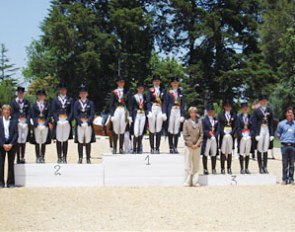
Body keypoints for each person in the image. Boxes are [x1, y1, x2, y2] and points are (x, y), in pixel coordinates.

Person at [51, 82, 74, 163]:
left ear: (66, 90)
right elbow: (53, 111)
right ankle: (59, 157)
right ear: (59, 90)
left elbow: (71, 111)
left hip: (66, 122)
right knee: (58, 139)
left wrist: (68, 120)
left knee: (65, 139)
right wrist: (57, 120)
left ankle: (64, 157)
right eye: (61, 89)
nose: (63, 91)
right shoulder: (55, 99)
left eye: (64, 89)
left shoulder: (70, 99)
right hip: (58, 122)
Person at [109, 76, 132, 154]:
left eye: (123, 82)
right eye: (120, 82)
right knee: (115, 129)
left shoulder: (127, 92)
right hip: (116, 110)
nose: (121, 83)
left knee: (122, 129)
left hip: (124, 111)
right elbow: (111, 104)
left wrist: (130, 114)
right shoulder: (114, 92)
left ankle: (121, 148)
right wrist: (111, 114)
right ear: (117, 83)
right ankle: (114, 147)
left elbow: (129, 104)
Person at [74, 84, 96, 164]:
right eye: (81, 93)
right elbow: (75, 114)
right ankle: (80, 158)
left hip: (88, 124)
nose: (83, 94)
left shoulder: (90, 102)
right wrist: (80, 122)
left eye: (84, 93)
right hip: (80, 124)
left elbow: (92, 113)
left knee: (88, 141)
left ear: (87, 94)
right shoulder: (76, 103)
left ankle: (88, 158)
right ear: (79, 94)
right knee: (80, 140)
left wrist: (88, 122)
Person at [252, 95, 274, 174]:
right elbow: (254, 123)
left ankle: (265, 166)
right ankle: (260, 167)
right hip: (260, 129)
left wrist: (272, 134)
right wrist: (256, 134)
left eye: (265, 101)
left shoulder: (269, 110)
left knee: (265, 148)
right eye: (262, 101)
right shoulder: (256, 111)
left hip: (267, 129)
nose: (264, 102)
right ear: (260, 102)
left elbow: (271, 122)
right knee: (259, 148)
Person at [164, 77, 185, 154]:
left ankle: (175, 147)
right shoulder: (168, 92)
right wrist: (164, 113)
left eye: (176, 83)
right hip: (171, 110)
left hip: (178, 110)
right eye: (174, 83)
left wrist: (183, 115)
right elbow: (165, 103)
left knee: (177, 128)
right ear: (171, 84)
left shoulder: (181, 92)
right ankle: (170, 147)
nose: (175, 84)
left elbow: (183, 104)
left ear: (178, 83)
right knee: (170, 128)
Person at [183, 107, 203, 187]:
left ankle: (195, 181)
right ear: (189, 113)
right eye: (191, 112)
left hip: (197, 147)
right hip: (189, 146)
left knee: (196, 165)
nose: (193, 114)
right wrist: (191, 144)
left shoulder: (199, 123)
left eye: (194, 112)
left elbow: (201, 135)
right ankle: (187, 181)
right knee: (188, 164)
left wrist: (197, 144)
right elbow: (185, 135)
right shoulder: (186, 122)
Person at [146, 74, 166, 154]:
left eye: (158, 81)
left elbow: (165, 102)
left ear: (159, 82)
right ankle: (151, 148)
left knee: (158, 128)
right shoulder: (150, 90)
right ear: (153, 82)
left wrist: (164, 112)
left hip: (160, 109)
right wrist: (149, 111)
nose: (156, 82)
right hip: (153, 108)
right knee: (151, 128)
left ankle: (157, 148)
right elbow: (147, 101)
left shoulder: (163, 90)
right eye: (155, 81)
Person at [30, 90, 51, 163]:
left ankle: (42, 156)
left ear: (45, 96)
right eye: (40, 95)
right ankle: (37, 156)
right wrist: (36, 124)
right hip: (37, 124)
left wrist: (45, 124)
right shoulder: (34, 104)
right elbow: (32, 115)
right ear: (37, 96)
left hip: (44, 124)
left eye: (43, 95)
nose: (41, 96)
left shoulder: (47, 104)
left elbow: (49, 115)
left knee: (43, 140)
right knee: (37, 141)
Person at [10, 86, 30, 164]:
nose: (20, 94)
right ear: (17, 93)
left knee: (23, 140)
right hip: (17, 123)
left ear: (23, 94)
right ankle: (18, 157)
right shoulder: (13, 102)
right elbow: (12, 113)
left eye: (22, 93)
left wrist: (27, 121)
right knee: (17, 140)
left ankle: (22, 156)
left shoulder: (27, 102)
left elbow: (29, 113)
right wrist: (16, 121)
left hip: (24, 123)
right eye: (19, 93)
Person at [0, 105, 18, 188]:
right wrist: (2, 144)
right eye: (5, 110)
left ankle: (10, 182)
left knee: (11, 164)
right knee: (1, 164)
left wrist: (11, 144)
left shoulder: (14, 121)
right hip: (1, 145)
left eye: (8, 110)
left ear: (10, 111)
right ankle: (1, 183)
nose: (6, 111)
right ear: (2, 111)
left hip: (11, 145)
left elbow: (16, 133)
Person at [277, 107, 295, 185]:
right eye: (288, 112)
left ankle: (291, 179)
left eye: (291, 112)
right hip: (284, 145)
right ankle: (284, 179)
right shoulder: (281, 124)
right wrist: (282, 139)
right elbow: (278, 134)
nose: (290, 114)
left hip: (293, 145)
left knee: (292, 164)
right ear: (286, 114)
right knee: (284, 163)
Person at [218, 99, 237, 174]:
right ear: (224, 107)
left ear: (231, 107)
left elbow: (235, 126)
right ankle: (222, 168)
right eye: (226, 106)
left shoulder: (234, 115)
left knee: (229, 152)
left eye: (229, 106)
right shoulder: (220, 115)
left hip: (230, 135)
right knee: (223, 152)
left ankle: (229, 168)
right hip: (223, 135)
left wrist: (231, 133)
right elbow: (219, 126)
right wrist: (223, 133)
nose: (228, 108)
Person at [201, 104, 218, 175]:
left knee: (214, 153)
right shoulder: (204, 120)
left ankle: (213, 168)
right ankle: (205, 169)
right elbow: (204, 129)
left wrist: (215, 136)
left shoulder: (216, 119)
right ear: (207, 112)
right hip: (207, 138)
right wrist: (210, 136)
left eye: (211, 111)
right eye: (209, 111)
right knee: (206, 153)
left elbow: (218, 129)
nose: (210, 112)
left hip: (214, 138)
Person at [130, 82, 146, 154]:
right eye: (139, 88)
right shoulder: (134, 97)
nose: (140, 89)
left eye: (142, 88)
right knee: (136, 131)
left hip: (143, 115)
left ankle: (139, 148)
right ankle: (134, 148)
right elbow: (131, 107)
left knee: (141, 131)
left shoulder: (144, 97)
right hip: (136, 115)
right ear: (137, 89)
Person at [236, 102, 252, 174]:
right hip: (242, 136)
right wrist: (241, 135)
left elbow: (252, 127)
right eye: (243, 107)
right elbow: (238, 127)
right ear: (242, 109)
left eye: (246, 107)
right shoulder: (239, 117)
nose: (245, 109)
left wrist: (251, 135)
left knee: (247, 152)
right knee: (241, 152)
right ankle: (242, 168)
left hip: (248, 135)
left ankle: (247, 168)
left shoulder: (250, 116)